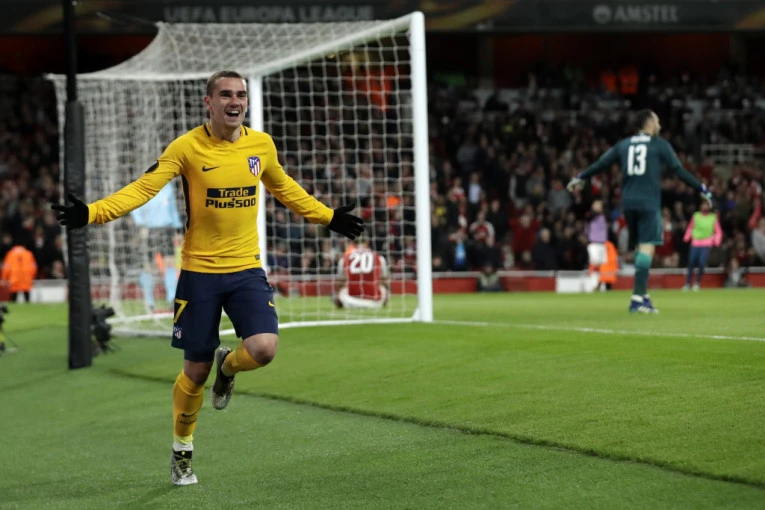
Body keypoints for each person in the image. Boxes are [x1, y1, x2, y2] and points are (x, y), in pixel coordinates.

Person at [52, 70, 364, 486]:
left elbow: (285, 187)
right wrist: (93, 212)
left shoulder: (261, 145)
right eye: (226, 95)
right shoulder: (186, 147)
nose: (235, 102)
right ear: (209, 102)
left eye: (241, 95)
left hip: (246, 269)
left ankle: (228, 367)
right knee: (195, 373)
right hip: (199, 274)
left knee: (265, 348)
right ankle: (182, 450)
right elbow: (143, 188)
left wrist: (327, 216)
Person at [567, 109, 712, 313]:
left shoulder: (624, 144)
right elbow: (678, 170)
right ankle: (637, 298)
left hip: (628, 203)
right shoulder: (659, 144)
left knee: (641, 248)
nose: (659, 124)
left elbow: (602, 163)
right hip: (648, 202)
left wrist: (581, 176)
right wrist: (700, 188)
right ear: (649, 123)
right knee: (646, 247)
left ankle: (643, 295)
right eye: (657, 120)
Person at [334, 236, 389, 309]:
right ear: (367, 241)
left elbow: (340, 283)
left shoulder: (344, 258)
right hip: (375, 303)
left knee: (341, 291)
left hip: (351, 302)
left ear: (353, 243)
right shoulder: (379, 257)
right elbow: (384, 281)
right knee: (383, 288)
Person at [682, 201, 722, 291]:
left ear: (709, 207)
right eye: (703, 205)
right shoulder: (696, 216)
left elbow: (718, 231)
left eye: (706, 205)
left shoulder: (713, 217)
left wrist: (717, 241)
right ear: (700, 206)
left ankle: (697, 282)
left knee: (701, 263)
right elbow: (691, 227)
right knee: (691, 262)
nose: (705, 206)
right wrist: (686, 237)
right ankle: (687, 283)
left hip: (706, 243)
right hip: (695, 242)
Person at [585, 200, 607, 292]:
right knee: (594, 263)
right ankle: (591, 284)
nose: (597, 206)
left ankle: (598, 284)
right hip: (593, 243)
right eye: (596, 205)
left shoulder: (604, 216)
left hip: (602, 243)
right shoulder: (590, 215)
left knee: (600, 265)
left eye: (599, 205)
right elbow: (590, 217)